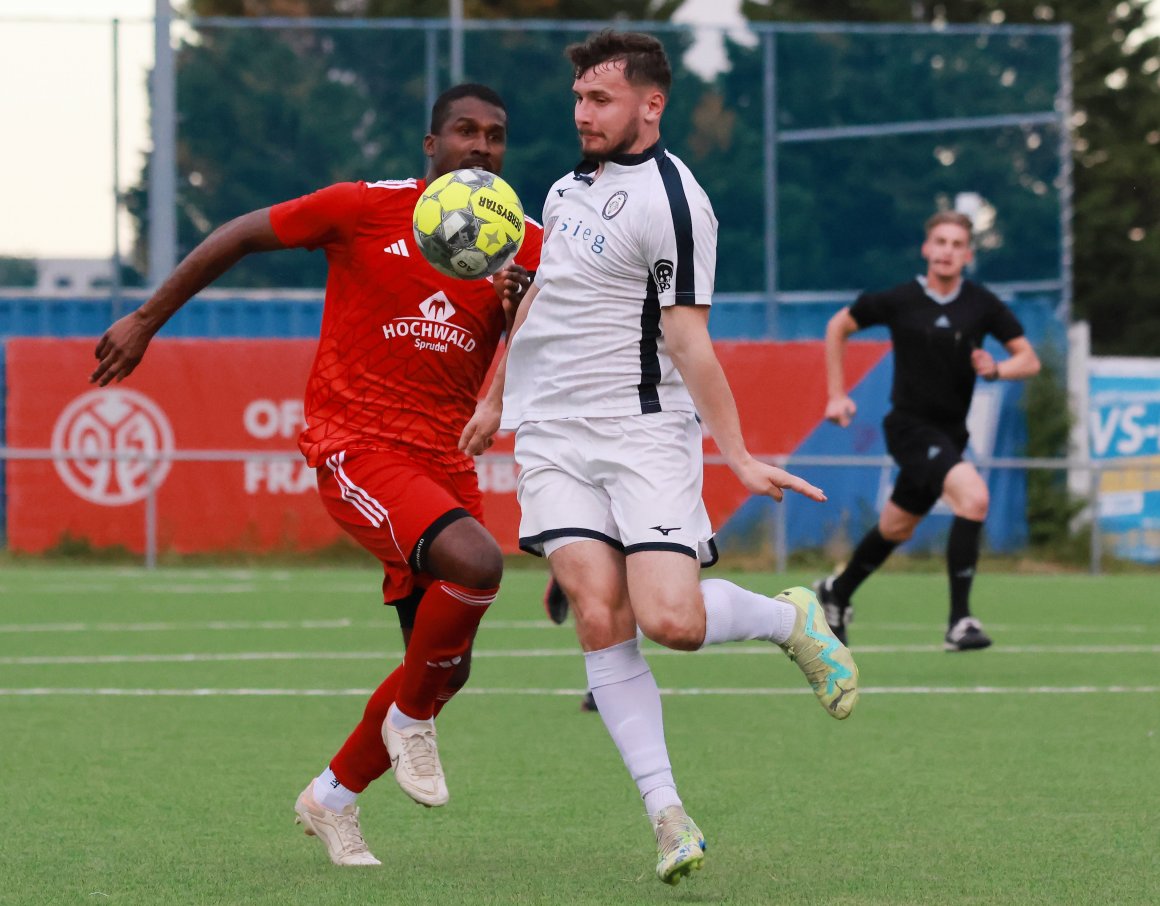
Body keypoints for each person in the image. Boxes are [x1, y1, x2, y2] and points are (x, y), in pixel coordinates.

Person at [90, 84, 542, 866]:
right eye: (464, 132)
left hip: (444, 461)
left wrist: (520, 307)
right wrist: (144, 319)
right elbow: (236, 236)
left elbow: (546, 347)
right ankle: (407, 724)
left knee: (444, 669)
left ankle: (331, 798)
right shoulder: (362, 208)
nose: (481, 146)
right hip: (357, 444)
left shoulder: (523, 242)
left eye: (495, 136)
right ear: (430, 146)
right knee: (476, 564)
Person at [459, 31, 859, 886]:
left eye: (598, 101)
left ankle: (791, 619)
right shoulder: (563, 190)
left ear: (651, 103)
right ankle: (668, 815)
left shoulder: (677, 203)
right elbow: (540, 299)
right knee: (598, 612)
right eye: (576, 101)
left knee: (671, 622)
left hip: (644, 432)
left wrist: (741, 456)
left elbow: (689, 341)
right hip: (554, 437)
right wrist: (496, 395)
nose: (581, 115)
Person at [815, 211, 1040, 651]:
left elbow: (1028, 360)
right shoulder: (901, 299)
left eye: (957, 244)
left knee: (896, 528)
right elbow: (837, 325)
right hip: (909, 428)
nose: (947, 251)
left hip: (951, 434)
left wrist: (996, 369)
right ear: (926, 249)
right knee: (973, 498)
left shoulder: (982, 304)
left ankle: (835, 593)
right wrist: (836, 394)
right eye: (940, 241)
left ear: (968, 255)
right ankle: (960, 621)